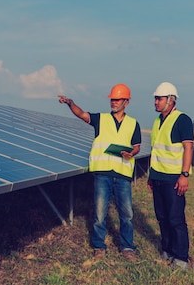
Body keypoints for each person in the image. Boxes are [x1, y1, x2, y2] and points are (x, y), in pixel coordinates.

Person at [58, 83, 141, 261]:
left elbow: (137, 146)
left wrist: (131, 153)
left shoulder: (133, 124)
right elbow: (82, 114)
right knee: (99, 213)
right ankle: (99, 246)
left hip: (123, 174)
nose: (113, 102)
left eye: (117, 99)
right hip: (103, 173)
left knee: (126, 214)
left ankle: (127, 247)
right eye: (112, 99)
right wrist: (70, 103)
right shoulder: (101, 119)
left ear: (126, 102)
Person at [147, 82, 194, 270]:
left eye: (159, 98)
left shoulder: (182, 120)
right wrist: (151, 176)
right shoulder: (158, 121)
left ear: (171, 100)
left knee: (175, 219)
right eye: (155, 99)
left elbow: (188, 148)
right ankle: (167, 250)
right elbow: (156, 151)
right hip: (158, 178)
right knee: (162, 217)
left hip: (173, 179)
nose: (156, 102)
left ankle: (181, 257)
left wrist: (184, 175)